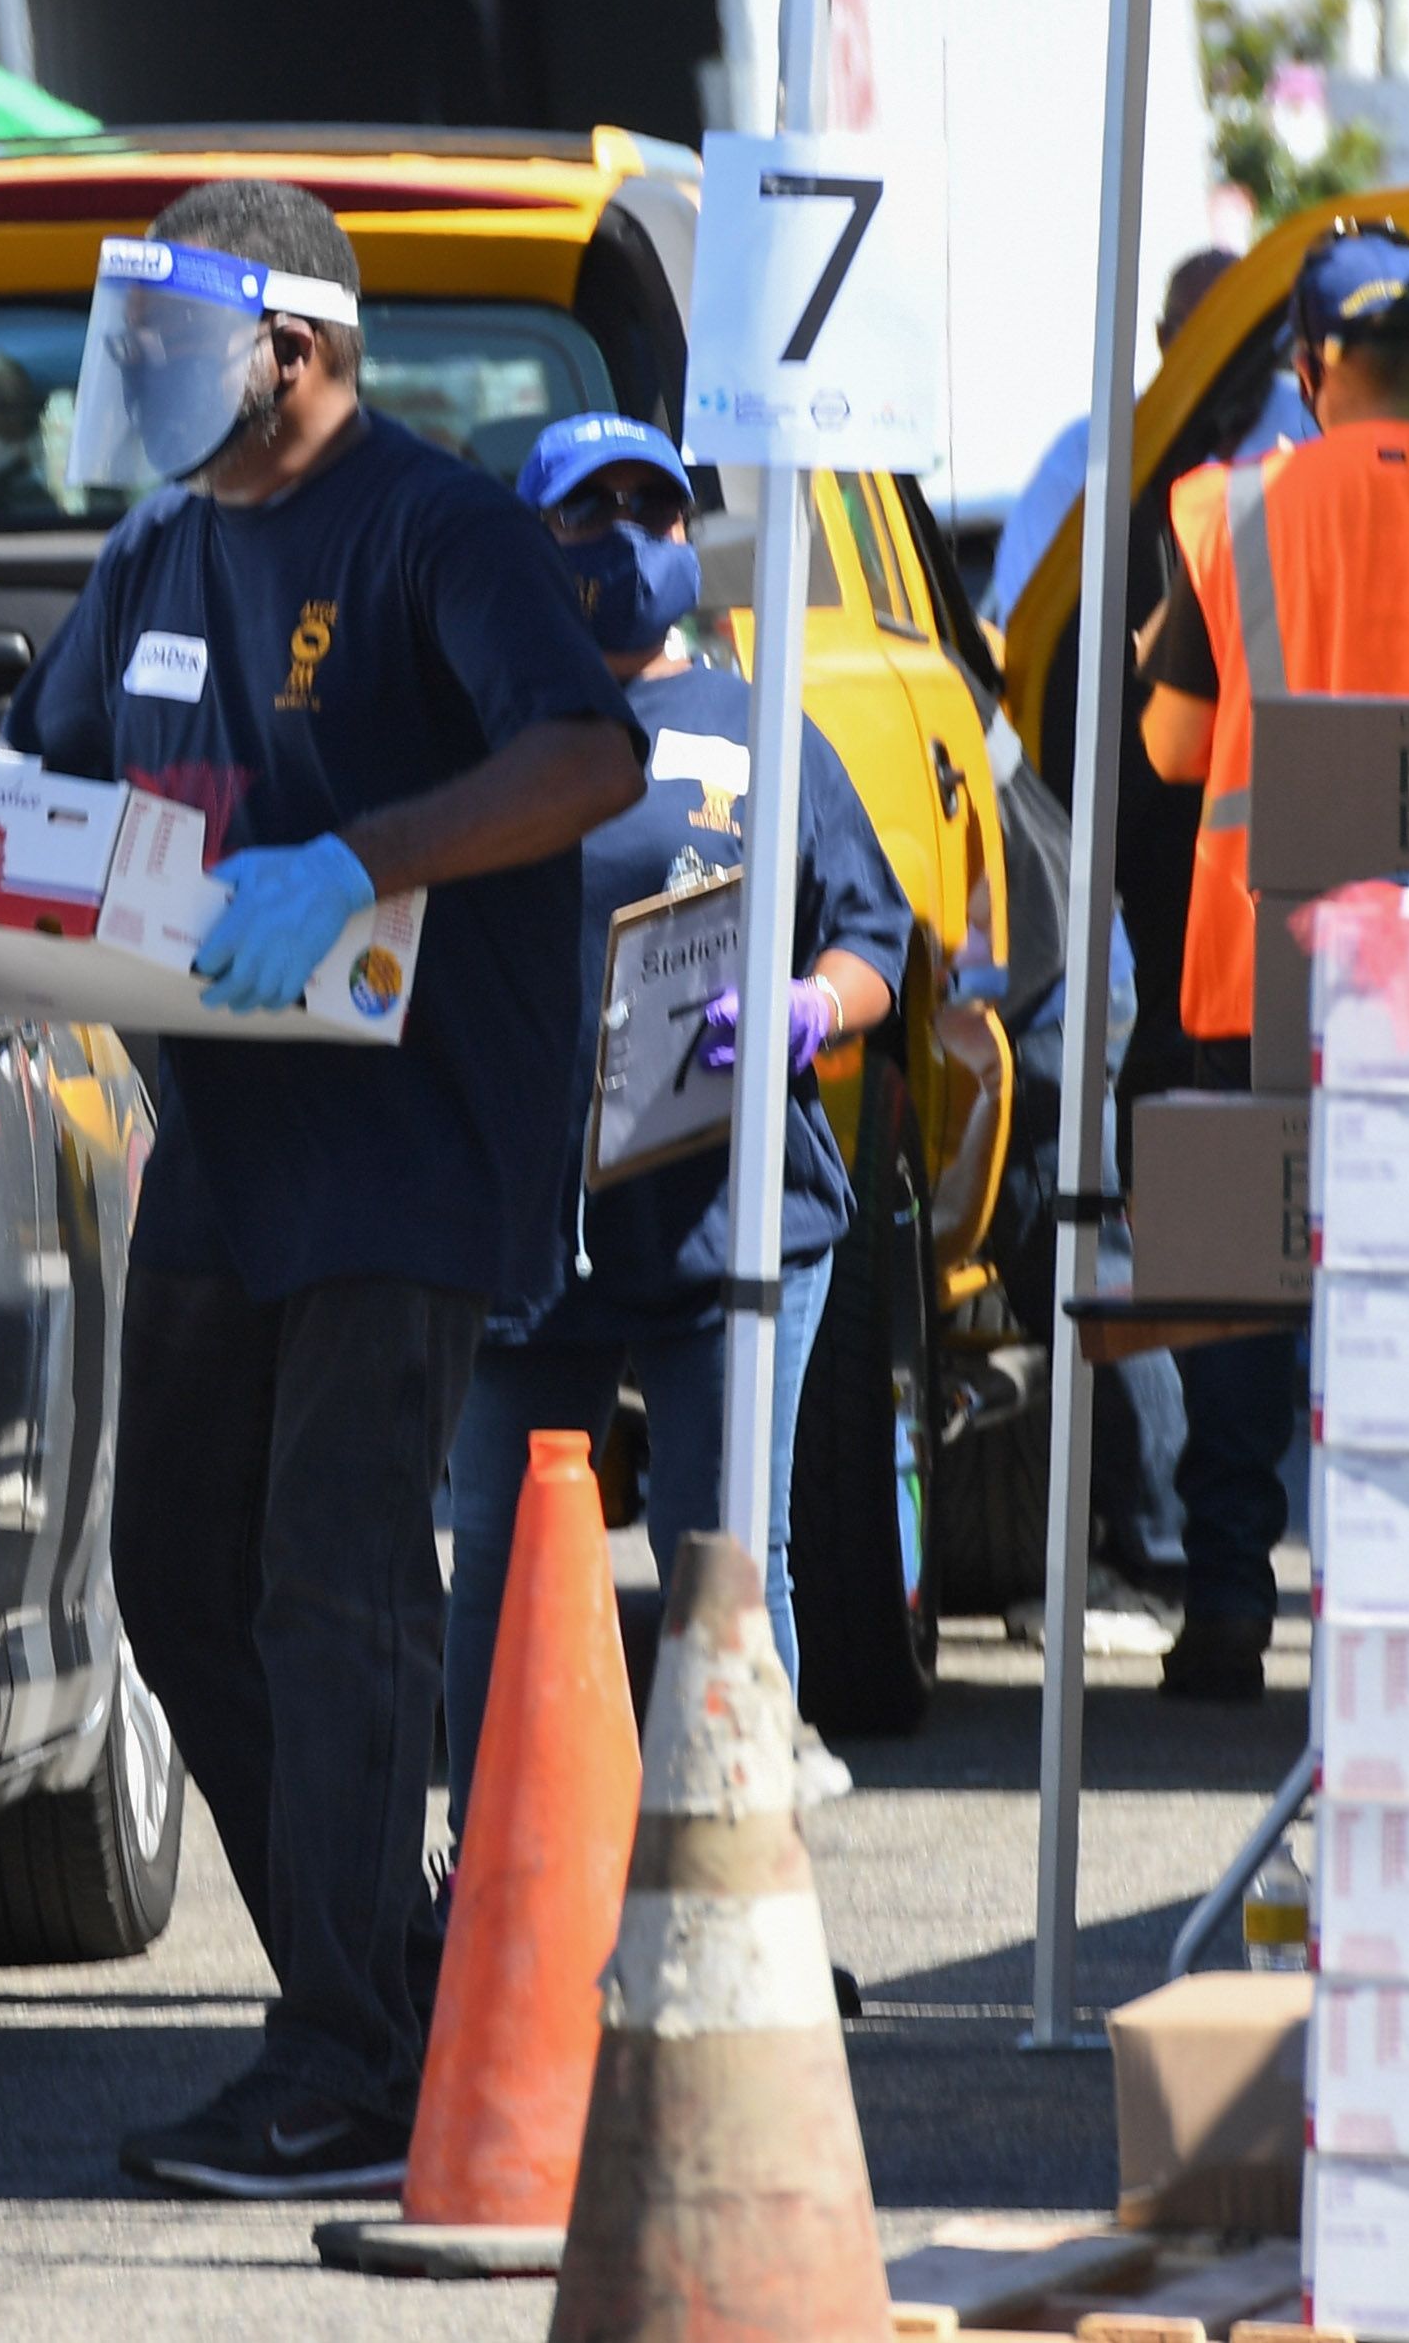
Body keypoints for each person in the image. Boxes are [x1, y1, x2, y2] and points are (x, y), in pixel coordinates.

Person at [11, 183, 645, 2203]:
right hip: (228, 1134)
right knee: (175, 1573)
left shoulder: (432, 529)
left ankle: (351, 2058)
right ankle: (389, 1981)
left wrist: (362, 857)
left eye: (171, 344)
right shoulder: (158, 544)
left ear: (291, 347)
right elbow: (49, 775)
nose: (138, 378)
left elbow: (589, 754)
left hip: (408, 1140)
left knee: (334, 1576)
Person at [442, 415, 912, 1814]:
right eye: (589, 514)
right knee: (506, 1561)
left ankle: (728, 1870)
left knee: (729, 1561)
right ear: (530, 543)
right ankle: (497, 1869)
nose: (629, 540)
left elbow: (873, 938)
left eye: (653, 510)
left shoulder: (763, 725)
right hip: (533, 1226)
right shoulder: (478, 722)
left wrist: (807, 1006)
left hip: (731, 1215)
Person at [1131, 224, 1409, 1705]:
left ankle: (1232, 1594)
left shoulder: (1224, 507)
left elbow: (1172, 747)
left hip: (1265, 960)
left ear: (1307, 367)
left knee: (1249, 1276)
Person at [986, 247, 1304, 625]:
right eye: (1206, 334)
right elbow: (1027, 612)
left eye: (1244, 334)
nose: (1229, 356)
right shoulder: (1088, 456)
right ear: (1164, 337)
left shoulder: (1311, 425)